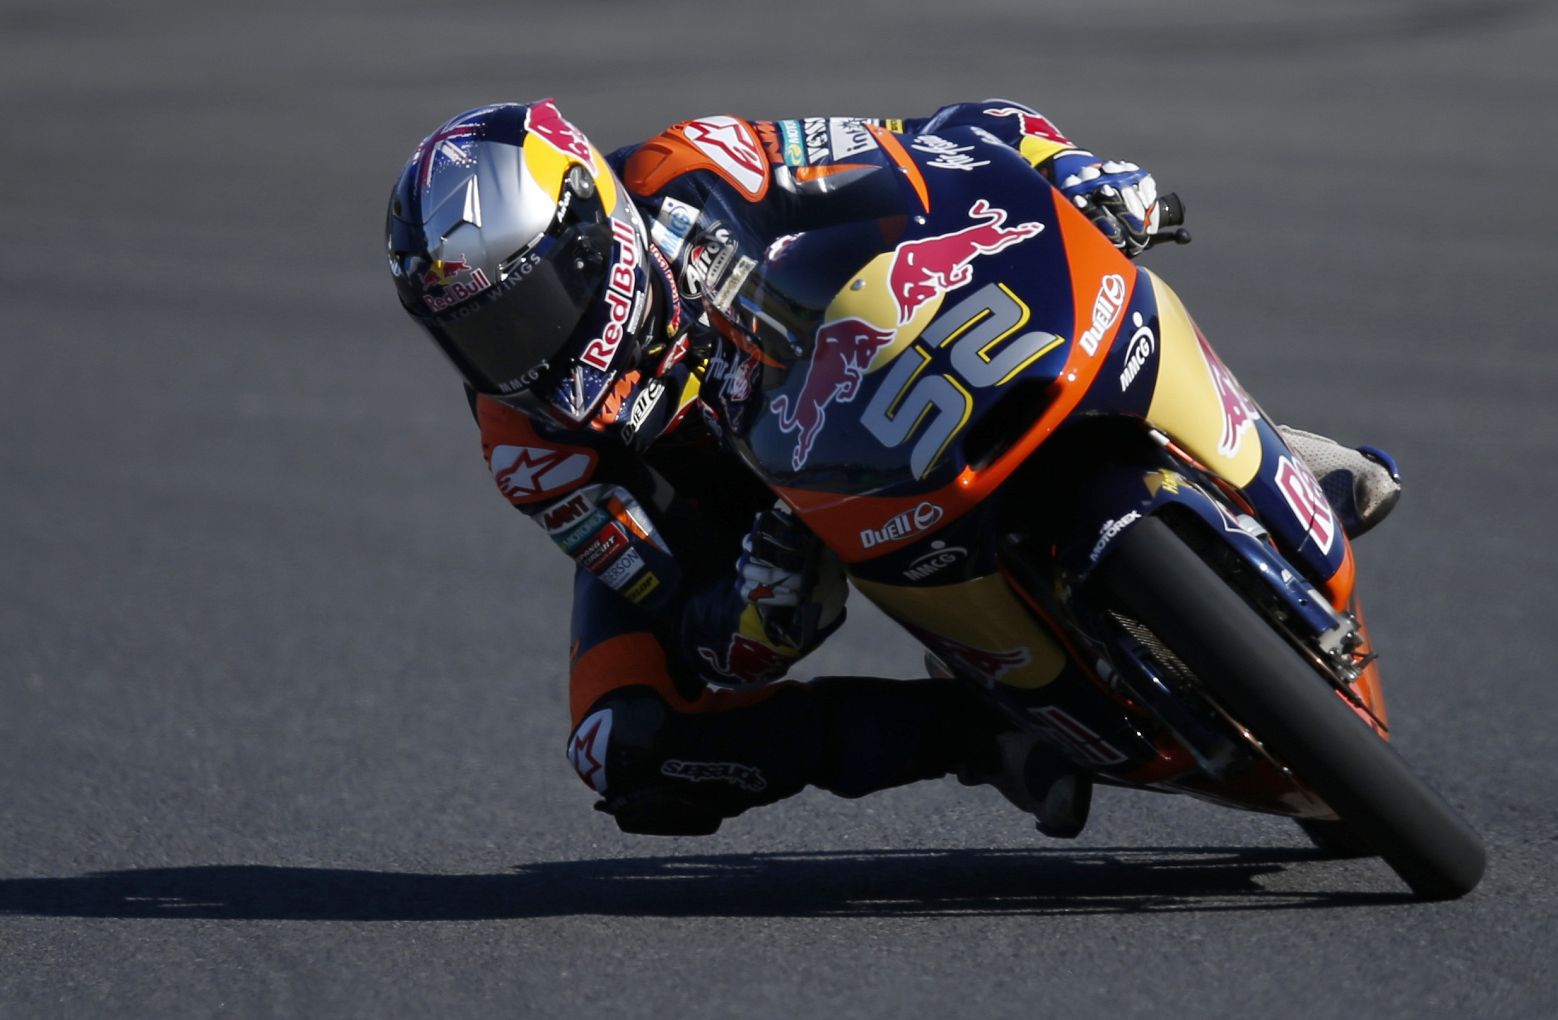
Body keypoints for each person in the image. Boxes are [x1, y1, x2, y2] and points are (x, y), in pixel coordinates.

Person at [385, 99, 1402, 836]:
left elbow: (938, 148)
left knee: (1082, 261)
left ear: (585, 240)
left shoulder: (693, 167)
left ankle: (1260, 448)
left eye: (520, 313)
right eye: (471, 337)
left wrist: (1064, 167)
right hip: (737, 515)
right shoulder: (532, 451)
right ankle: (982, 731)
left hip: (855, 362)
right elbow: (685, 610)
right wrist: (751, 607)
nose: (512, 358)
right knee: (624, 747)